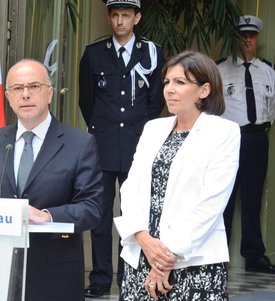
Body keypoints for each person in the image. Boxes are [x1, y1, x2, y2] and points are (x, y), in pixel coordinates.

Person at [0, 59, 104, 301]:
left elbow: (91, 209)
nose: (26, 94)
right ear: (8, 97)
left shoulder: (79, 143)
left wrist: (47, 215)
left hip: (54, 275)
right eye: (18, 88)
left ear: (50, 93)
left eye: (35, 86)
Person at [115, 51, 240, 300]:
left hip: (194, 261)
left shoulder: (224, 131)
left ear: (204, 90)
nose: (169, 89)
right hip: (141, 256)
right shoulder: (153, 128)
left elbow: (211, 203)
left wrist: (165, 258)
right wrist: (144, 240)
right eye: (167, 82)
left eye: (180, 82)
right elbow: (131, 188)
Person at [79, 0, 165, 296]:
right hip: (101, 145)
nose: (119, 21)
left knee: (134, 214)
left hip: (137, 145)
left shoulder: (152, 53)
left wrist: (141, 131)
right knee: (101, 216)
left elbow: (156, 100)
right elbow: (85, 101)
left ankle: (129, 276)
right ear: (109, 17)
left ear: (137, 17)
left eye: (126, 15)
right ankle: (101, 280)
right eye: (115, 15)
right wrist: (103, 128)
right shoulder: (93, 54)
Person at [217, 15, 275, 274]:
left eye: (252, 36)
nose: (249, 40)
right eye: (244, 35)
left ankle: (254, 257)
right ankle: (217, 257)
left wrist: (260, 129)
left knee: (252, 199)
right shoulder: (220, 69)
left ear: (257, 39)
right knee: (225, 200)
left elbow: (272, 108)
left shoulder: (268, 70)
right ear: (237, 39)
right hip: (229, 139)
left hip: (257, 139)